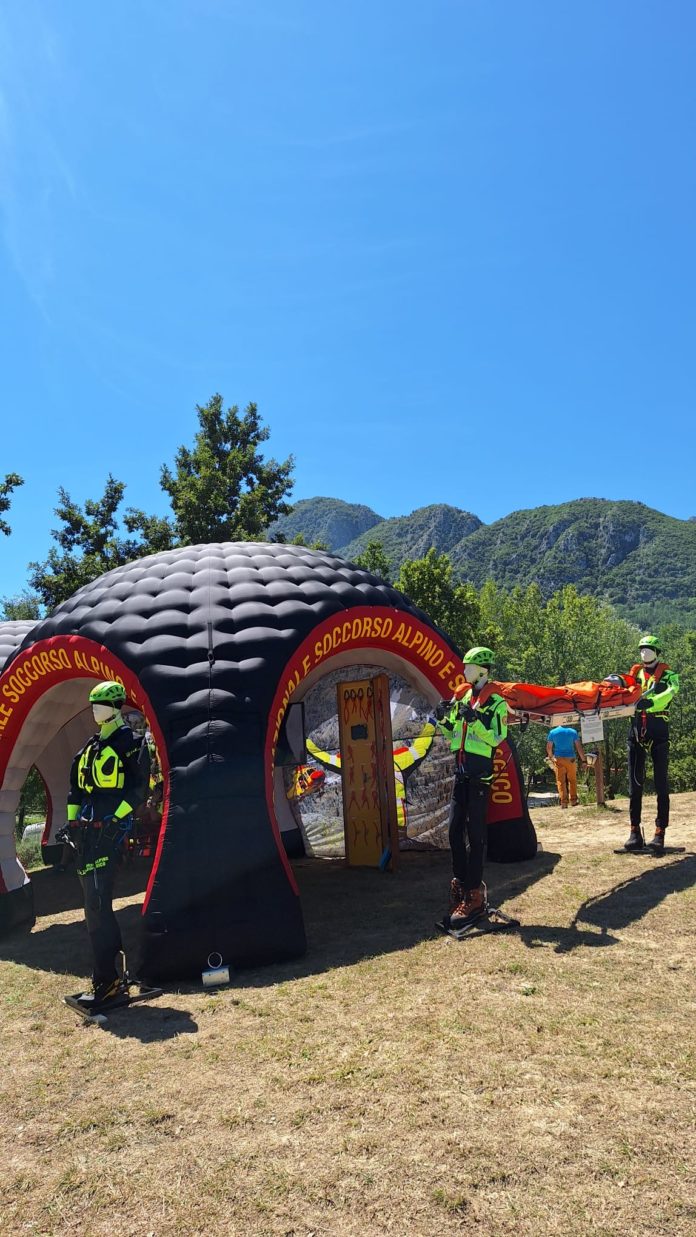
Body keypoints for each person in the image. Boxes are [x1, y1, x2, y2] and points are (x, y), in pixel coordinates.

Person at [65, 681, 150, 1006]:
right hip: (86, 833)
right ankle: (108, 977)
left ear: (114, 707)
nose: (94, 710)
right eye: (92, 704)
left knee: (98, 906)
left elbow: (138, 789)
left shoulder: (131, 743)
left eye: (99, 704)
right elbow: (76, 787)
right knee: (92, 906)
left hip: (109, 833)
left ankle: (109, 981)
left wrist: (116, 821)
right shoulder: (91, 746)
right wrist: (73, 824)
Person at [434, 647, 508, 930]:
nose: (463, 671)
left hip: (480, 775)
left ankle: (474, 894)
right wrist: (442, 718)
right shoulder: (463, 696)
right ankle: (461, 884)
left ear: (482, 670)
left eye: (468, 667)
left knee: (476, 836)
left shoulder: (496, 703)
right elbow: (453, 732)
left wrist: (475, 721)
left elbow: (497, 737)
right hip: (461, 772)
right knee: (454, 830)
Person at [624, 635, 680, 855]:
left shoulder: (669, 675)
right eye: (641, 649)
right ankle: (634, 832)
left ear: (657, 651)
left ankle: (659, 832)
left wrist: (653, 702)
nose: (644, 653)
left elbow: (670, 692)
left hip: (658, 730)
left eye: (648, 649)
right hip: (636, 729)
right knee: (634, 783)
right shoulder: (634, 673)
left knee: (660, 784)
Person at [546, 725, 586, 808]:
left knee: (560, 781)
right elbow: (578, 747)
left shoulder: (553, 732)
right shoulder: (573, 731)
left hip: (558, 759)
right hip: (571, 758)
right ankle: (573, 801)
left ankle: (564, 802)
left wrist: (551, 757)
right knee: (572, 780)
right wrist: (584, 760)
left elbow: (549, 747)